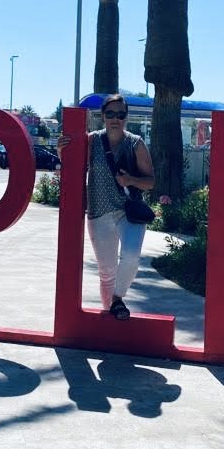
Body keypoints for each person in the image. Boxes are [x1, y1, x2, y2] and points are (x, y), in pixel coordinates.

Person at [56, 94, 155, 320]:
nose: (115, 119)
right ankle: (110, 316)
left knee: (131, 256)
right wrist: (63, 152)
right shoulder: (92, 141)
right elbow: (73, 167)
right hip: (99, 214)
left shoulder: (136, 144)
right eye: (110, 114)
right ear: (102, 116)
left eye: (120, 114)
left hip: (128, 212)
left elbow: (150, 182)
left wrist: (130, 180)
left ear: (126, 117)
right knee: (107, 273)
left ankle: (117, 298)